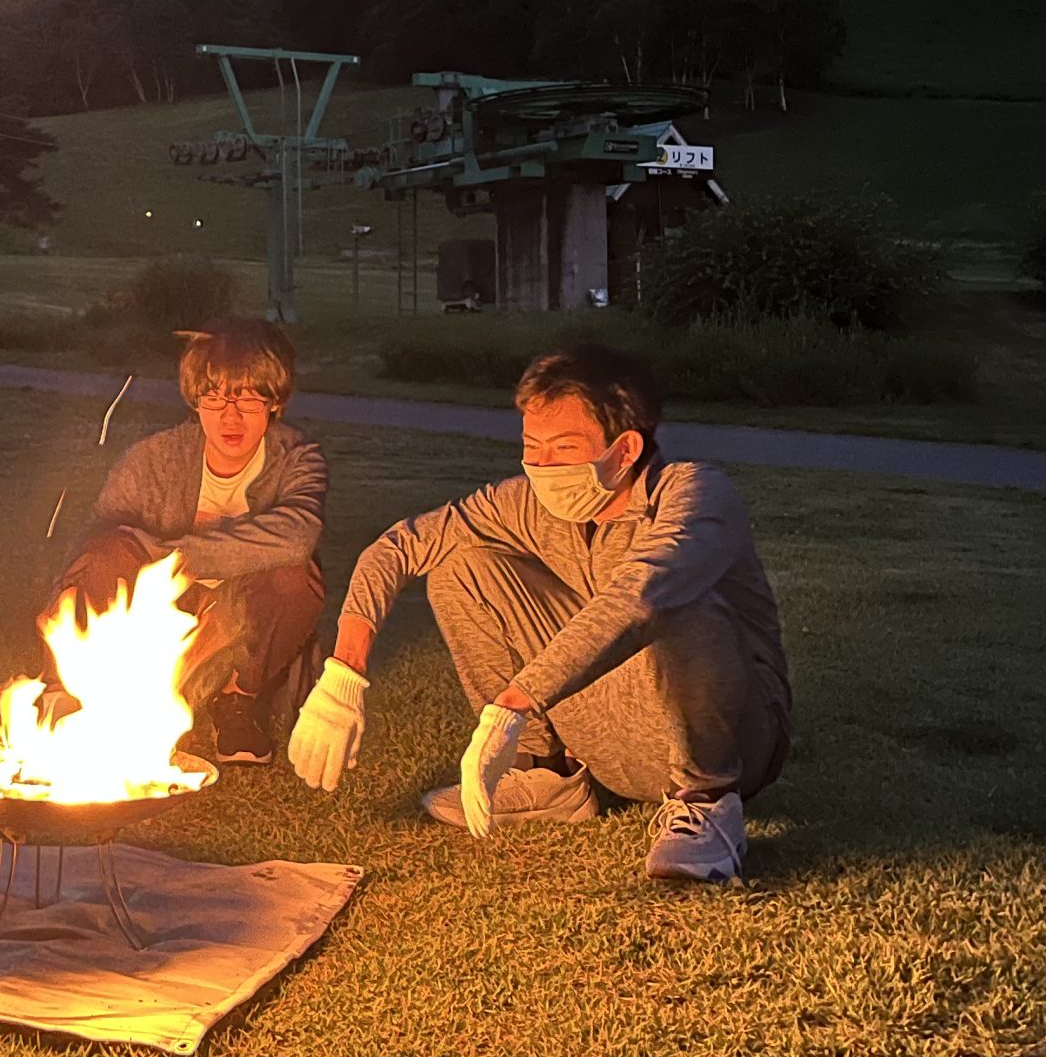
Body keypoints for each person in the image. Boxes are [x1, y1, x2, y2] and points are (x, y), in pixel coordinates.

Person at [289, 343, 791, 882]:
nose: (541, 466)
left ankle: (707, 801)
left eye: (564, 447)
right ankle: (547, 777)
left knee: (678, 597)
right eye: (532, 445)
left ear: (623, 452)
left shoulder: (693, 494)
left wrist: (513, 703)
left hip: (734, 737)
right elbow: (400, 547)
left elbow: (640, 596)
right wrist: (343, 673)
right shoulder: (525, 503)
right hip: (609, 730)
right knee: (461, 566)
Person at [47, 318, 326, 766]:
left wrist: (172, 559)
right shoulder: (152, 459)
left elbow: (298, 534)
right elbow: (91, 550)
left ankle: (238, 703)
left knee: (296, 576)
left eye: (248, 400)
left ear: (275, 403)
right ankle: (82, 696)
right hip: (161, 613)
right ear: (195, 401)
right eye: (213, 399)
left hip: (242, 617)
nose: (229, 417)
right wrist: (65, 644)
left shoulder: (295, 458)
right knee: (109, 546)